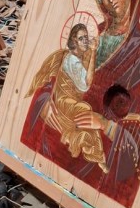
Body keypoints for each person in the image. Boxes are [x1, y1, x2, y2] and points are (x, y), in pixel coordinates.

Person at [21, 0, 140, 208]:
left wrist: (105, 124)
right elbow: (56, 76)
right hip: (62, 130)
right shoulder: (88, 35)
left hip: (101, 155)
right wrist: (44, 104)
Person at [25, 23, 108, 172]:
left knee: (87, 113)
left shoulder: (77, 58)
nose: (85, 41)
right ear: (74, 41)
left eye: (86, 38)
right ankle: (91, 151)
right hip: (65, 102)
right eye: (81, 38)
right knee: (86, 110)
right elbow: (87, 84)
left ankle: (95, 153)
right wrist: (94, 52)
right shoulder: (72, 61)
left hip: (71, 101)